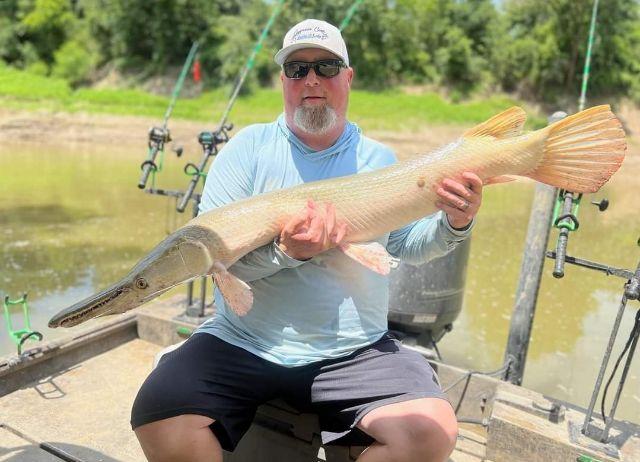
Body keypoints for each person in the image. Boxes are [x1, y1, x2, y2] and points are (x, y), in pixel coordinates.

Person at [131, 19, 483, 462]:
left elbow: (407, 247)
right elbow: (218, 266)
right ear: (283, 81)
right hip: (245, 339)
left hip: (354, 349)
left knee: (431, 433)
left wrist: (455, 221)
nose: (311, 79)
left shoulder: (378, 159)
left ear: (348, 77)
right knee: (157, 412)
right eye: (297, 68)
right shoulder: (245, 151)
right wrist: (287, 253)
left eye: (327, 66)